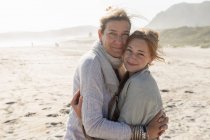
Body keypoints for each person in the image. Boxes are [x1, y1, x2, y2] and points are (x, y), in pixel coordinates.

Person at [64, 7, 168, 140]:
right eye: (112, 33)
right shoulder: (92, 63)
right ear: (100, 35)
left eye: (124, 34)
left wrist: (156, 115)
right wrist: (144, 133)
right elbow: (93, 126)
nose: (119, 41)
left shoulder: (122, 64)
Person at [108, 28, 164, 140]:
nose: (132, 57)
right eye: (129, 50)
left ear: (151, 58)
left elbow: (123, 135)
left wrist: (84, 119)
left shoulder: (139, 84)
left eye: (140, 54)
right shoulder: (133, 76)